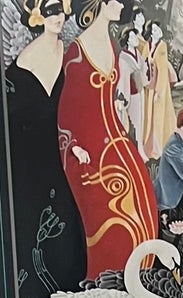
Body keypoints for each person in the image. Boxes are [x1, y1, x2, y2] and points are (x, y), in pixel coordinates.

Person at [56, 0, 160, 279]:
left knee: (142, 201)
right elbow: (68, 107)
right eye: (117, 1)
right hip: (87, 148)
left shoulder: (111, 45)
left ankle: (137, 279)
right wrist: (75, 145)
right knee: (108, 215)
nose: (121, 6)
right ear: (100, 3)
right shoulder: (77, 50)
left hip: (114, 137)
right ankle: (106, 281)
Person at [9, 0, 89, 298]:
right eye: (52, 11)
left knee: (68, 224)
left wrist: (76, 143)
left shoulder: (66, 53)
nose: (59, 17)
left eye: (61, 11)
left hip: (60, 152)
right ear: (38, 15)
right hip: (31, 158)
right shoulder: (25, 61)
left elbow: (73, 108)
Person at [143, 24, 177, 160]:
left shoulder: (162, 46)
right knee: (149, 116)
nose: (158, 31)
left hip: (159, 88)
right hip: (149, 86)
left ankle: (160, 147)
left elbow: (163, 71)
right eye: (155, 30)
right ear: (151, 33)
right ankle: (148, 146)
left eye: (159, 29)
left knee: (159, 116)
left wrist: (159, 91)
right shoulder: (148, 45)